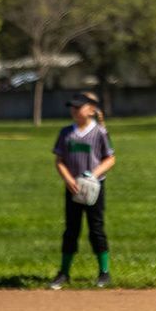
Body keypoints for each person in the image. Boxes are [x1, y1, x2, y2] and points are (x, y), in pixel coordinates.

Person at [48, 93, 116, 289]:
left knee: (96, 229)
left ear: (91, 110)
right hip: (73, 187)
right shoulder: (66, 133)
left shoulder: (100, 133)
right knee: (71, 229)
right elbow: (59, 160)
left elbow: (110, 158)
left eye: (79, 107)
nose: (74, 110)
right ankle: (64, 272)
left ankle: (104, 273)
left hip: (94, 187)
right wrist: (69, 179)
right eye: (72, 107)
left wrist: (93, 175)